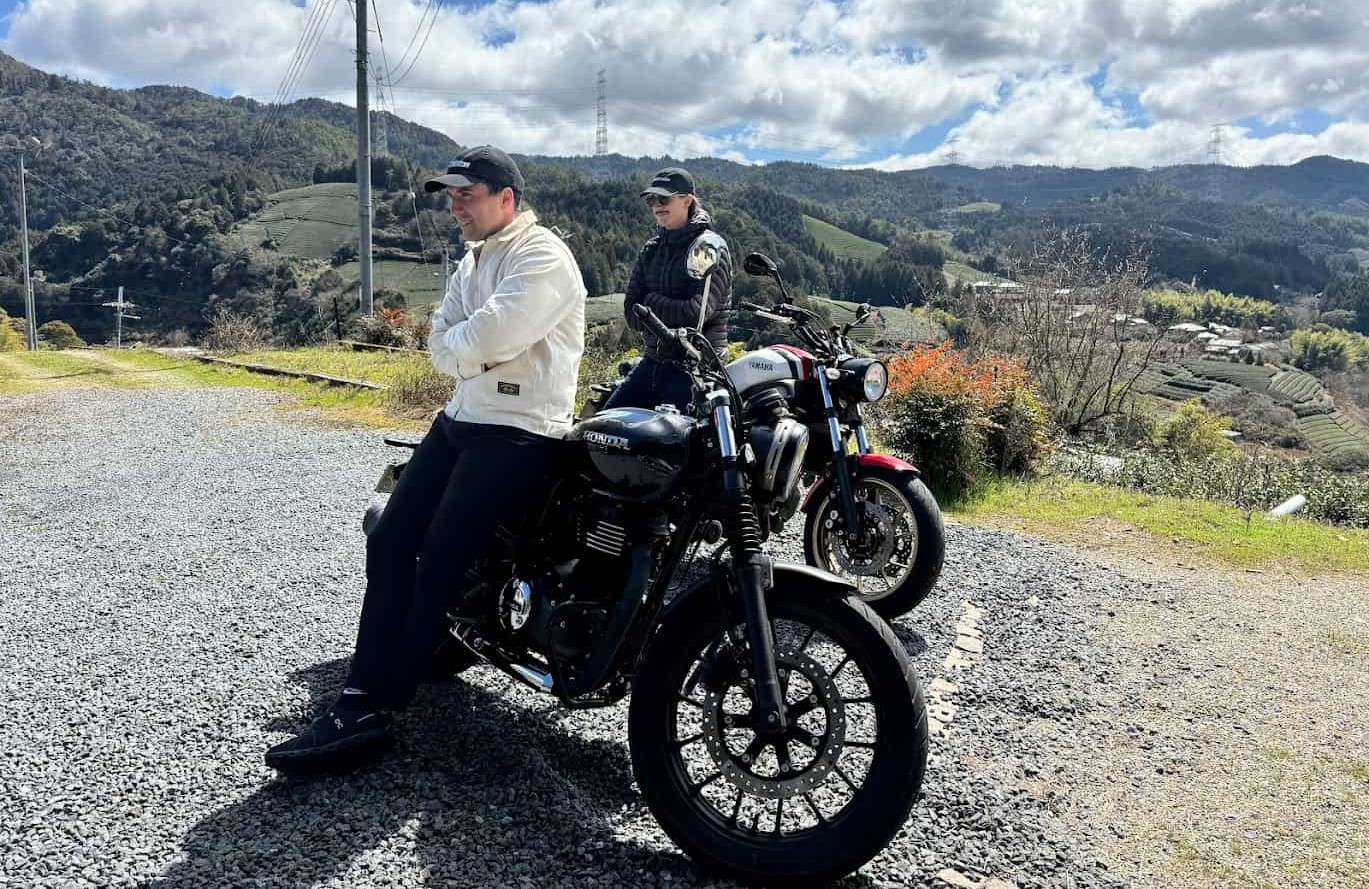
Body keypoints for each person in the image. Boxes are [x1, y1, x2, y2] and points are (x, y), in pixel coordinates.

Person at [265, 145, 587, 771]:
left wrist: (471, 347)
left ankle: (373, 706)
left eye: (466, 195)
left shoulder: (541, 254)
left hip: (520, 427)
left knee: (439, 556)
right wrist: (474, 351)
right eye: (451, 197)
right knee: (389, 540)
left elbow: (487, 335)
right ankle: (367, 685)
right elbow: (444, 342)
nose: (454, 208)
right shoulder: (474, 261)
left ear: (506, 199)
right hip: (464, 417)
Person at [604, 167, 732, 412]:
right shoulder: (652, 249)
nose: (657, 206)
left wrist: (649, 303)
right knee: (604, 429)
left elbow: (696, 315)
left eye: (664, 199)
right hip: (653, 361)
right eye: (652, 200)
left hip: (696, 370)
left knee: (672, 443)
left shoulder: (709, 248)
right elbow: (632, 314)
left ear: (687, 201)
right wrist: (651, 310)